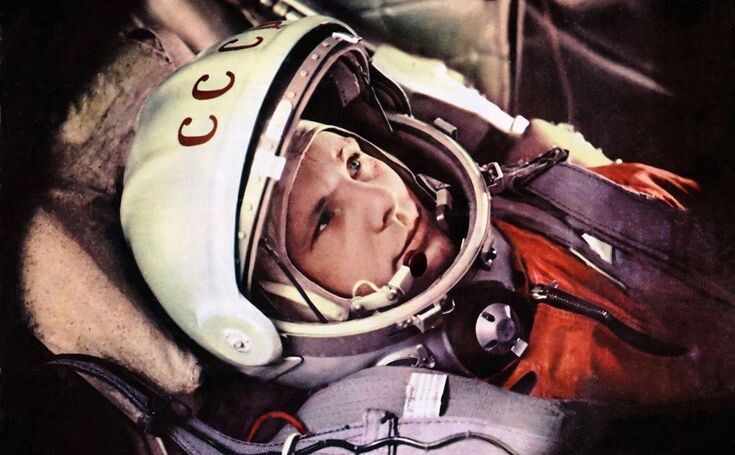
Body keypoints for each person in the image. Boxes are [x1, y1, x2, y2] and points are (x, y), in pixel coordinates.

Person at [120, 15, 735, 406]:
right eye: (324, 219)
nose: (383, 201)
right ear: (263, 313)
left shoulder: (574, 191)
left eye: (356, 162)